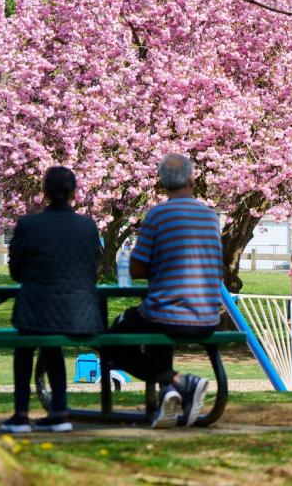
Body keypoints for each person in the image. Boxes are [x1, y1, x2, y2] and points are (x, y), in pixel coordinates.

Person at [103, 154, 220, 429]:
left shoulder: (158, 215)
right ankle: (169, 392)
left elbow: (137, 270)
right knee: (157, 322)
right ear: (193, 179)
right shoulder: (210, 217)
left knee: (109, 342)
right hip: (207, 315)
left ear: (161, 184)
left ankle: (179, 382)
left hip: (167, 313)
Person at [2, 167, 103, 433]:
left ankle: (21, 414)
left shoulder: (28, 225)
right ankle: (59, 411)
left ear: (44, 192)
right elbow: (93, 268)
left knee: (26, 347)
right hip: (80, 315)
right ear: (75, 192)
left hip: (36, 311)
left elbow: (15, 271)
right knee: (51, 345)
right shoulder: (88, 226)